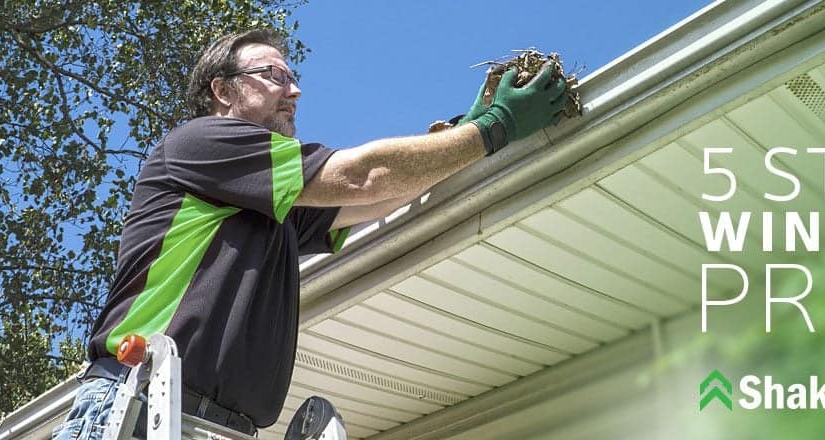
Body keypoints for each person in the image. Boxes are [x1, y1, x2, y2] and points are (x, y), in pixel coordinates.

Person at [52, 28, 567, 439]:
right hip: (134, 408)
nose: (293, 90)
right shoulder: (203, 143)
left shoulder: (276, 207)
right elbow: (363, 175)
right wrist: (493, 128)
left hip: (215, 427)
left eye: (292, 77)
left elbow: (380, 197)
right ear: (223, 90)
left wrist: (466, 133)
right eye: (273, 74)